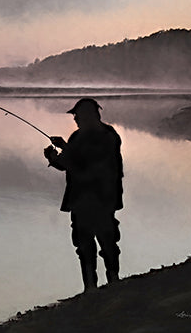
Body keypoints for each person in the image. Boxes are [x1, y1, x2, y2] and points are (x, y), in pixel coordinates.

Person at [44, 98, 123, 292]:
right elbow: (69, 163)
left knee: (106, 240)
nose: (76, 119)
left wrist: (65, 149)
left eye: (77, 115)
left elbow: (91, 163)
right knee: (85, 244)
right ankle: (91, 287)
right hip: (84, 199)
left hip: (100, 197)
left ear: (89, 115)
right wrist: (54, 159)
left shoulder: (107, 136)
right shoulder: (79, 137)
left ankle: (111, 281)